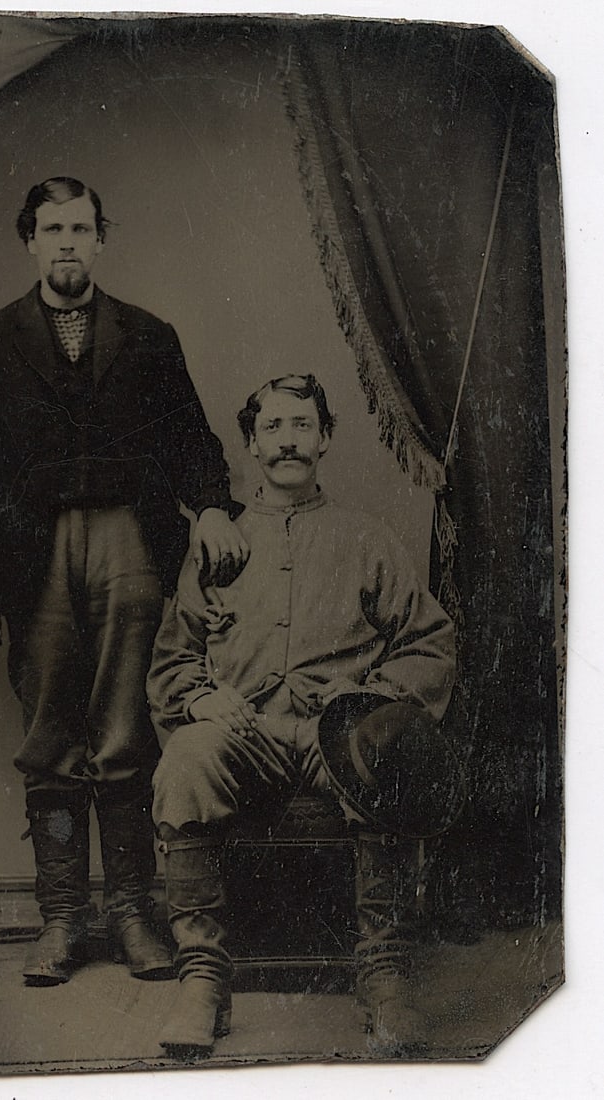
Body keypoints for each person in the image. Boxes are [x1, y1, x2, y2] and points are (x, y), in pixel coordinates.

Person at [0, 177, 248, 987]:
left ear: (100, 238)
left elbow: (189, 435)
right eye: (51, 228)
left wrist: (211, 507)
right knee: (50, 729)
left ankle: (133, 914)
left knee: (123, 727)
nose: (67, 241)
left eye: (80, 227)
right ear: (30, 241)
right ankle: (61, 919)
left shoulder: (148, 335)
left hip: (129, 540)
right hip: (29, 550)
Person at [147, 374, 457, 1058]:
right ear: (251, 445)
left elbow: (429, 645)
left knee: (385, 760)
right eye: (273, 429)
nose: (287, 442)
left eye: (301, 426)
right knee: (184, 764)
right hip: (244, 735)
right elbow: (172, 660)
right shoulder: (218, 543)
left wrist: (364, 694)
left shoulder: (364, 538)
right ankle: (202, 977)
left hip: (334, 735)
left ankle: (383, 974)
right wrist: (201, 696)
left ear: (324, 438)